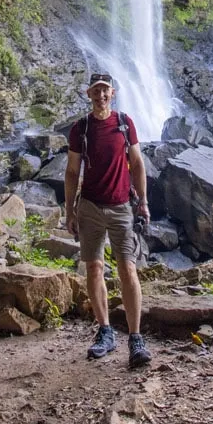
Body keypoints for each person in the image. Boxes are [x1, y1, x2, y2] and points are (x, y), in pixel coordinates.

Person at [64, 72, 152, 368]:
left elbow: (137, 163)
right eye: (95, 91)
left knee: (128, 268)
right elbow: (72, 171)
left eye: (105, 90)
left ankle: (136, 337)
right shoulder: (81, 129)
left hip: (121, 207)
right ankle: (105, 331)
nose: (100, 95)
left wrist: (143, 202)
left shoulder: (125, 124)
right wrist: (69, 210)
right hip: (89, 206)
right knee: (94, 267)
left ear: (112, 93)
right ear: (88, 94)